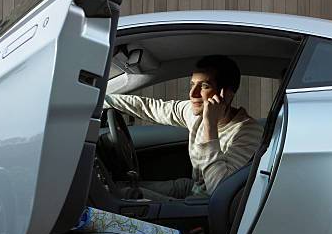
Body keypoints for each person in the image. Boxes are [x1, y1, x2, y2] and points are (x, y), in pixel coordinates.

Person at [104, 55, 263, 200]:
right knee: (116, 187)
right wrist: (98, 99)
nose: (193, 94)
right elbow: (149, 107)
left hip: (209, 206)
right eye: (192, 85)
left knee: (126, 195)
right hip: (193, 188)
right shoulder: (194, 112)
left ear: (226, 94)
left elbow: (220, 190)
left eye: (204, 86)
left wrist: (210, 124)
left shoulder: (248, 132)